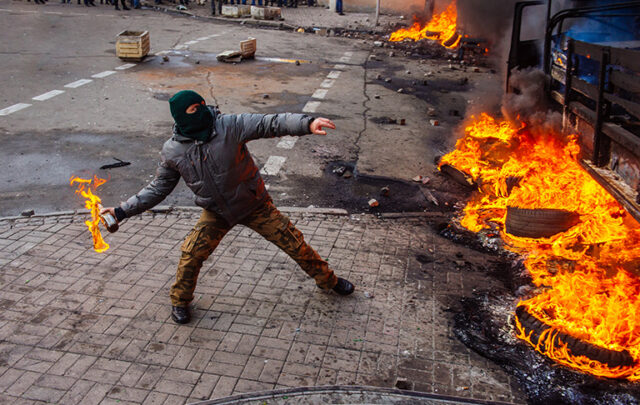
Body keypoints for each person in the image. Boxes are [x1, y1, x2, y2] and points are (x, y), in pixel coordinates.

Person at [102, 90, 355, 325]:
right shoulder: (173, 151)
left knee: (294, 243)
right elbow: (158, 189)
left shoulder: (228, 126)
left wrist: (307, 124)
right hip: (216, 213)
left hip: (254, 205)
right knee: (191, 254)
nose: (201, 111)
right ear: (180, 116)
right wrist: (121, 212)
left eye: (201, 105)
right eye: (193, 109)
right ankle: (180, 302)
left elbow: (270, 123)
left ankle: (329, 281)